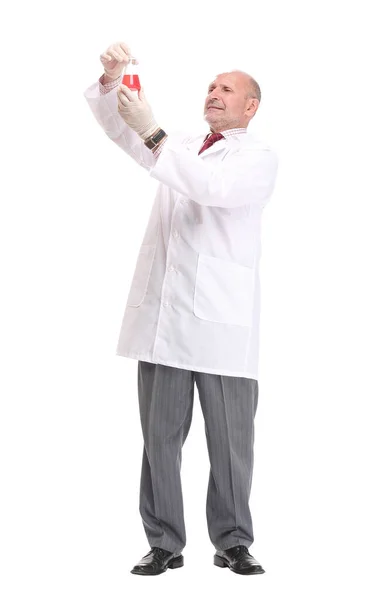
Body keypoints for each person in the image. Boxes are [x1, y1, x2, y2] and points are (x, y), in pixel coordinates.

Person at [84, 41, 279, 576]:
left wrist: (152, 131)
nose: (214, 93)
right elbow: (127, 135)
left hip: (222, 324)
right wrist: (112, 83)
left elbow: (211, 188)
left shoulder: (256, 156)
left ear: (250, 106)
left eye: (227, 88)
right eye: (211, 86)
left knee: (231, 443)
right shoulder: (187, 143)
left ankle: (234, 540)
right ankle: (164, 541)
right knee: (159, 439)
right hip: (165, 320)